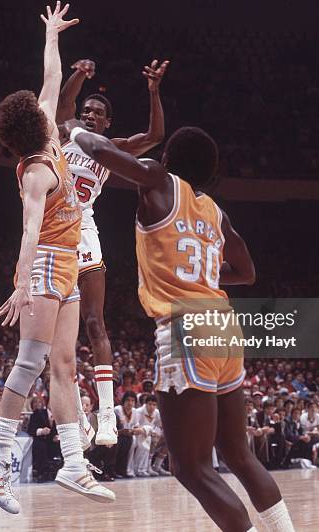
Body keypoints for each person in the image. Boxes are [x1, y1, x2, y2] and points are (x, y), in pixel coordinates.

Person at [65, 123, 295, 532]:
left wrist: (73, 129)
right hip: (224, 325)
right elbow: (247, 272)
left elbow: (99, 149)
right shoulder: (215, 212)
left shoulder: (158, 178)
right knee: (239, 454)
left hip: (187, 328)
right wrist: (202, 276)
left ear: (168, 159)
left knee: (189, 466)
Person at [0, 1, 114, 515]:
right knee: (30, 361)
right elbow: (30, 228)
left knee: (63, 362)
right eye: (37, 110)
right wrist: (20, 283)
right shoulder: (35, 169)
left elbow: (52, 76)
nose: (46, 106)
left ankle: (74, 463)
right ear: (28, 130)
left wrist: (52, 35)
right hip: (42, 264)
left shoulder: (49, 130)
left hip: (68, 264)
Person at [56, 56, 169, 445]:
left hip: (83, 231)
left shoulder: (112, 147)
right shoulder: (66, 131)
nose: (89, 114)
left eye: (97, 112)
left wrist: (153, 91)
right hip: (51, 232)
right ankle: (79, 419)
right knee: (55, 337)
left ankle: (108, 417)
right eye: (86, 109)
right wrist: (80, 73)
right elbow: (62, 107)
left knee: (94, 324)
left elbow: (155, 134)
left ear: (107, 123)